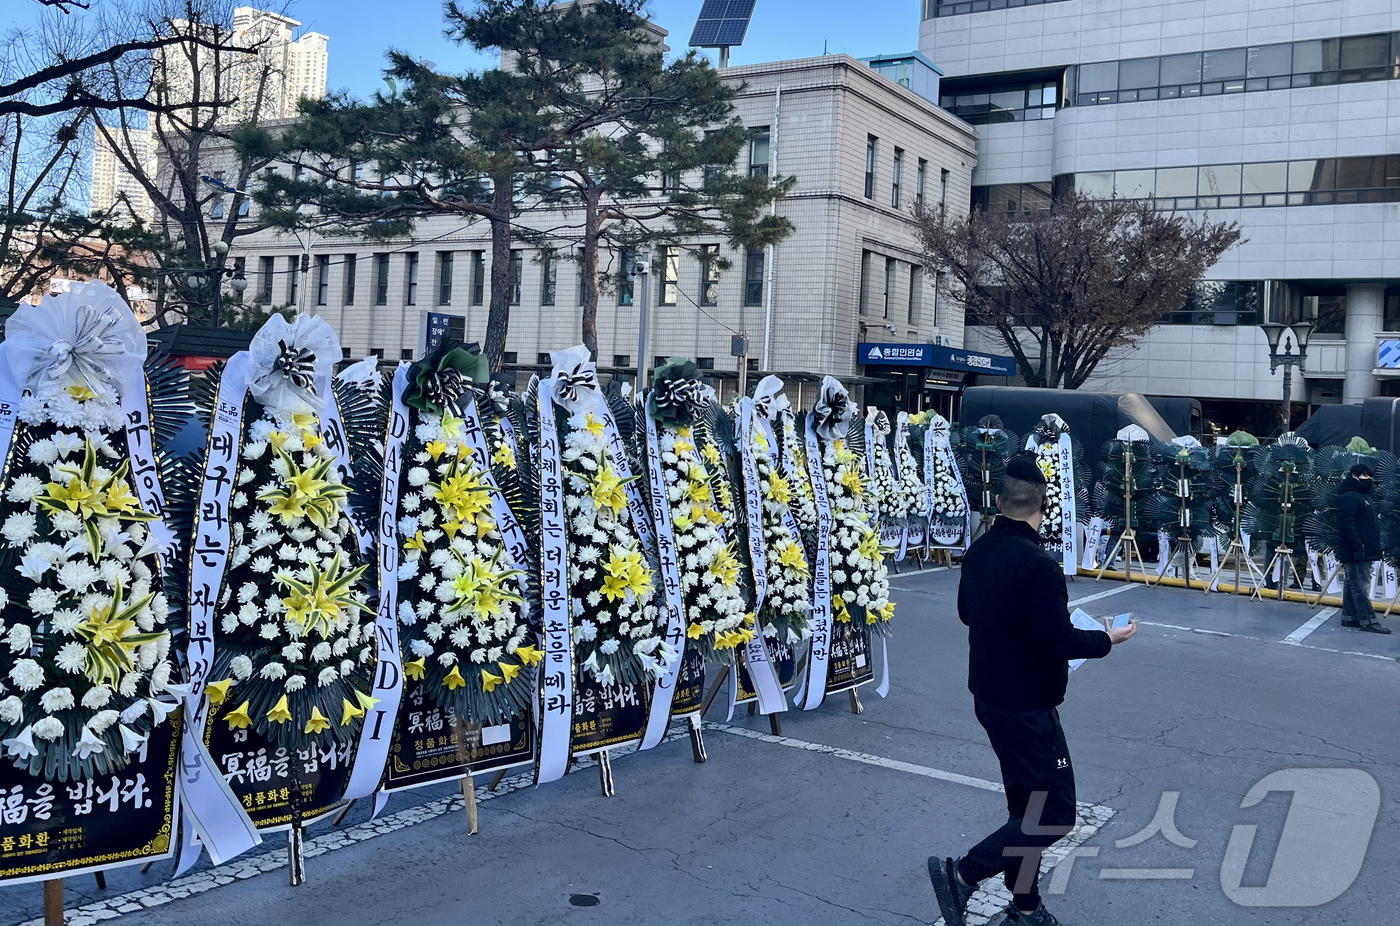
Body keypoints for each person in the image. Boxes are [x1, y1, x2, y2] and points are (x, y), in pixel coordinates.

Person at [928, 453, 1136, 926]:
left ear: (1000, 502)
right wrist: (1107, 639)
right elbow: (1057, 641)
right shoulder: (1039, 565)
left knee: (1028, 806)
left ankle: (1025, 905)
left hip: (990, 697)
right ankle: (962, 874)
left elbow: (967, 613)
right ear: (1045, 507)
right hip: (1026, 706)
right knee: (1055, 813)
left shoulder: (979, 550)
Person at [1335, 462, 1388, 634]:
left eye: (1370, 476)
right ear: (1354, 476)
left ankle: (1350, 616)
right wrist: (1358, 544)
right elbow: (1346, 522)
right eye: (1365, 475)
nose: (1369, 479)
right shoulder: (1350, 496)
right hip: (1358, 548)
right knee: (1360, 585)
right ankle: (1368, 620)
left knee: (1352, 583)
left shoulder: (1362, 496)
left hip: (1362, 548)